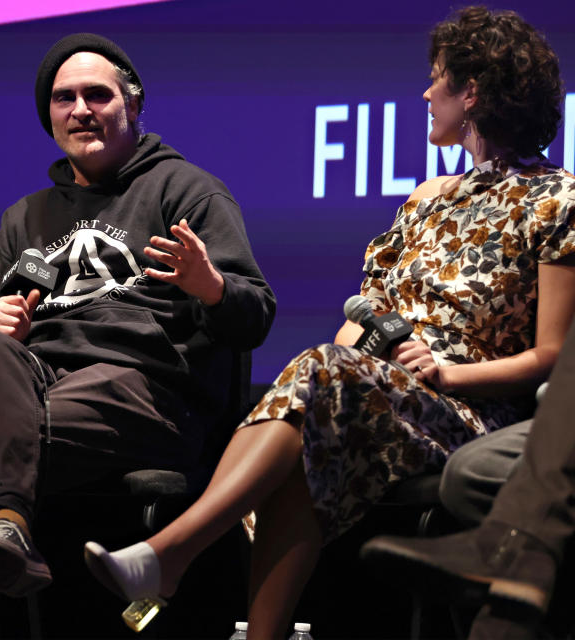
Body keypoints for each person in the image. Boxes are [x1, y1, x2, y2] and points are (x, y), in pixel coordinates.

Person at [83, 7, 575, 638]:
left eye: (437, 79)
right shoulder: (428, 199)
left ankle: (170, 555)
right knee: (315, 409)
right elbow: (359, 318)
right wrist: (363, 356)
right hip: (375, 390)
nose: (426, 93)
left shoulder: (558, 200)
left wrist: (450, 374)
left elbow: (554, 356)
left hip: (472, 414)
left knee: (319, 382)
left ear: (473, 90)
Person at [0, 33, 276, 638]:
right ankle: (8, 526)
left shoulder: (185, 191)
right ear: (50, 117)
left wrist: (210, 285)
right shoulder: (26, 218)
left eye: (98, 94)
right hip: (40, 382)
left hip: (147, 389)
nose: (81, 109)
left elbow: (256, 316)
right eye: (65, 99)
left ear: (133, 106)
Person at [360, 317, 575, 640]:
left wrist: (444, 374)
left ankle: (514, 557)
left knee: (470, 472)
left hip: (475, 405)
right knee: (473, 471)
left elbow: (552, 354)